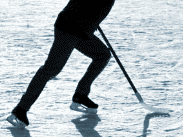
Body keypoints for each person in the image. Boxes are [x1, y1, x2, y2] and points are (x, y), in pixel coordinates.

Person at [7, 0, 115, 128]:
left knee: (102, 55)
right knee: (51, 69)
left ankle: (81, 95)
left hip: (82, 30)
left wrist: (93, 20)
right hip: (69, 28)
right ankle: (20, 110)